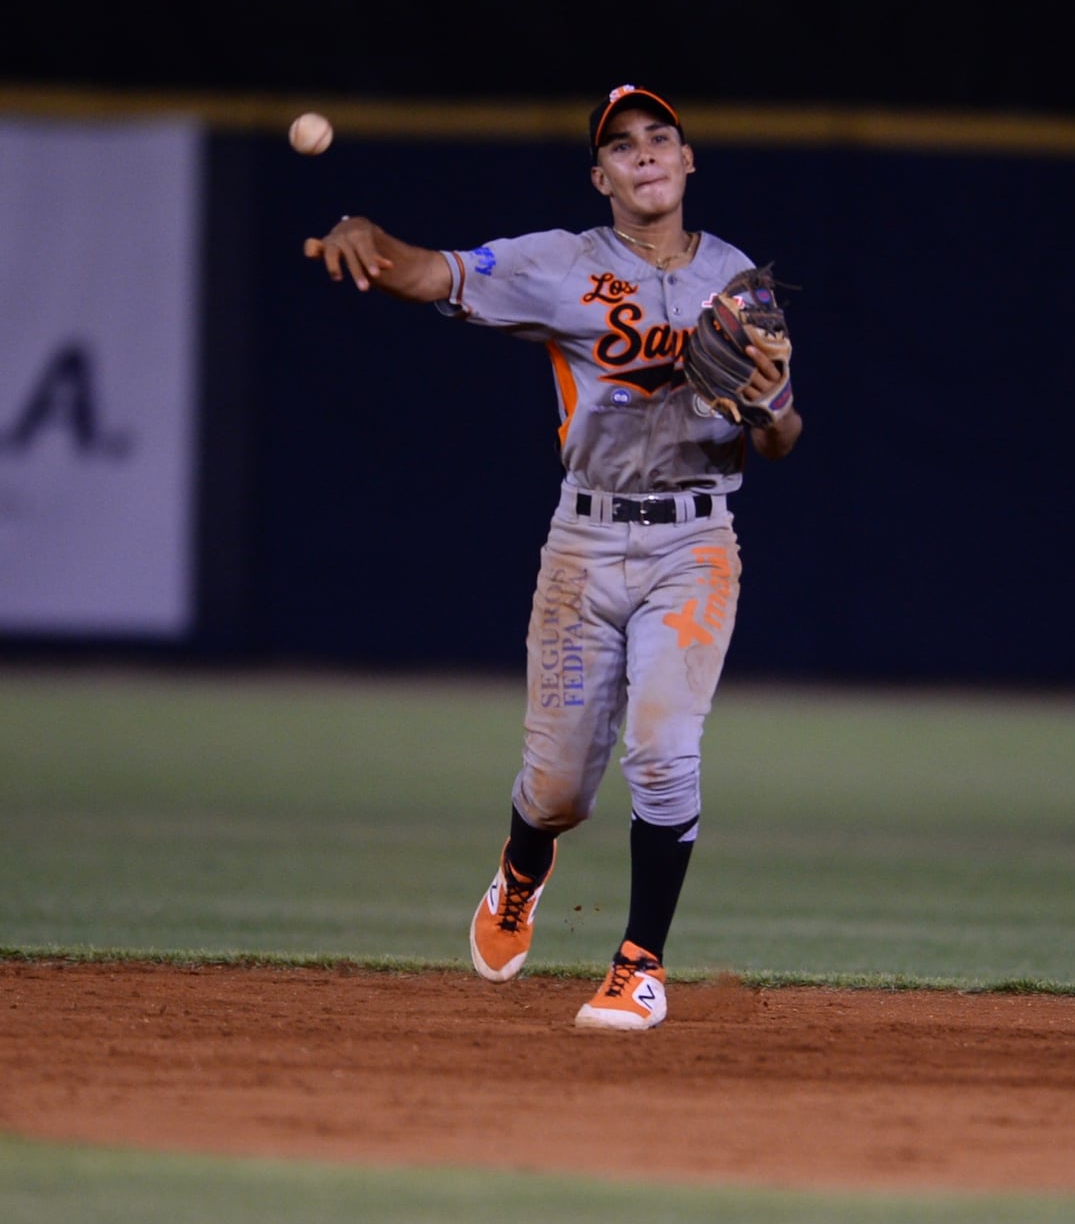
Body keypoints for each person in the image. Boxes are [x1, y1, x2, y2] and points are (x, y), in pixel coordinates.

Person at [304, 84, 802, 1030]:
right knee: (561, 787)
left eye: (661, 138)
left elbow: (781, 438)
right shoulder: (561, 265)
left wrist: (771, 407)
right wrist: (366, 233)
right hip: (582, 543)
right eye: (623, 146)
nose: (645, 153)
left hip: (695, 541)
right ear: (601, 175)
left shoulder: (740, 282)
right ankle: (522, 872)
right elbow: (437, 274)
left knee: (663, 748)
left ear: (688, 161)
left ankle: (639, 965)